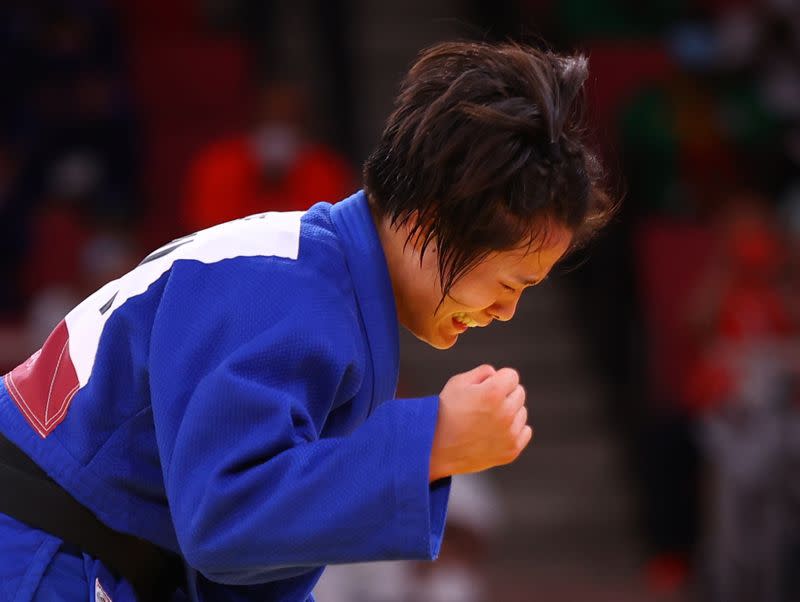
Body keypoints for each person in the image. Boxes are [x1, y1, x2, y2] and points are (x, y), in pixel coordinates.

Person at [0, 41, 614, 601]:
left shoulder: (318, 283)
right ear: (431, 227)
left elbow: (246, 570)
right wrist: (432, 441)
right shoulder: (282, 290)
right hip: (38, 555)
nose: (507, 311)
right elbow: (227, 518)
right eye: (511, 283)